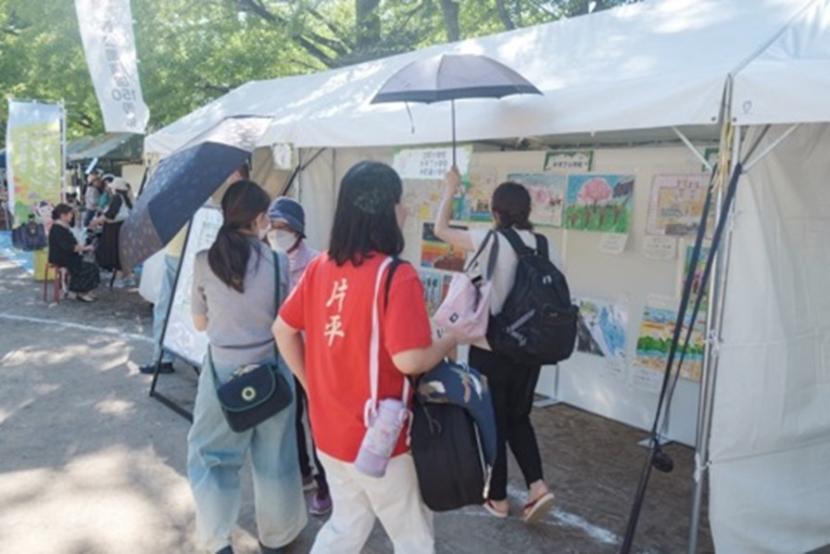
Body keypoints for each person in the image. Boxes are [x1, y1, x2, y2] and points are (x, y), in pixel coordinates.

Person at [274, 161, 457, 554]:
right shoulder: (396, 274)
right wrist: (449, 340)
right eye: (400, 201)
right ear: (384, 210)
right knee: (413, 536)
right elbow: (410, 360)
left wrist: (311, 386)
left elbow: (282, 329)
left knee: (347, 525)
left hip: (329, 431)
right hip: (380, 436)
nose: (405, 209)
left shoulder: (320, 265)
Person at [433, 168, 560, 524]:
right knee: (519, 417)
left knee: (491, 421)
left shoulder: (491, 240)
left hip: (491, 348)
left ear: (496, 211)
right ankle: (537, 486)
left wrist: (450, 189)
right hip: (530, 351)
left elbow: (440, 229)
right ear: (528, 211)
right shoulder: (546, 245)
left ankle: (498, 498)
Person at [188, 180, 306, 554]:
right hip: (271, 368)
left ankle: (216, 540)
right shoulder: (277, 262)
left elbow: (200, 324)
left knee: (212, 456)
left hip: (222, 371)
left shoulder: (204, 261)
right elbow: (285, 321)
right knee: (276, 456)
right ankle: (278, 535)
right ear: (257, 219)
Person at [267, 197, 331, 516]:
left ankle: (325, 484)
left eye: (284, 226)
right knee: (289, 418)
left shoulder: (317, 263)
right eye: (273, 226)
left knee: (318, 419)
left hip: (313, 355)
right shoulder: (265, 262)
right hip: (280, 354)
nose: (277, 232)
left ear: (298, 230)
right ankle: (302, 472)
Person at [138, 226, 187, 375]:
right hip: (193, 250)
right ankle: (166, 357)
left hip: (177, 253)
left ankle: (163, 358)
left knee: (164, 309)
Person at [48, 203, 100, 302]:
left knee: (91, 264)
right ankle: (80, 292)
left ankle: (84, 290)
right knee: (87, 266)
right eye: (70, 214)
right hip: (61, 257)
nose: (72, 216)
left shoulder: (62, 227)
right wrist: (86, 248)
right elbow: (70, 247)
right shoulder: (58, 229)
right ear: (63, 215)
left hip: (67, 255)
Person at [94, 177, 135, 287]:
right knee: (122, 253)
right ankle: (128, 277)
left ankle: (119, 278)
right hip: (122, 228)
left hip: (114, 230)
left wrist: (97, 221)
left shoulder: (117, 198)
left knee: (115, 254)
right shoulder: (126, 199)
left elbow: (111, 214)